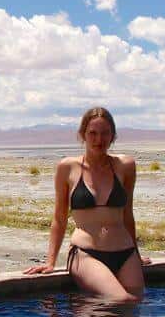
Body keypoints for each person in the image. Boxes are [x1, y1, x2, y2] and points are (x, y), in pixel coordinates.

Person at [24, 106, 147, 301]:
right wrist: (50, 262)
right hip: (86, 254)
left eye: (105, 133)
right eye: (93, 133)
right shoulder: (67, 167)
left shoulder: (126, 166)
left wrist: (137, 255)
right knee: (121, 300)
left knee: (136, 303)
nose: (99, 139)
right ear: (82, 135)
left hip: (125, 252)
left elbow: (127, 214)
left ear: (113, 136)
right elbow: (59, 218)